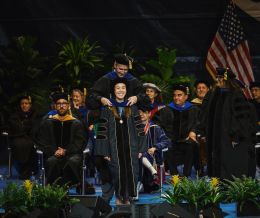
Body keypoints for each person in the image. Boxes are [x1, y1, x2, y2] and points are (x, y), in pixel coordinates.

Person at [94, 77, 146, 205]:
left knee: (132, 173)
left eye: (123, 88)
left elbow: (140, 129)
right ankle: (119, 198)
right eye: (118, 88)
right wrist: (105, 152)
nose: (121, 90)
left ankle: (128, 199)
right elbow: (102, 132)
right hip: (114, 149)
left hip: (131, 148)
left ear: (126, 90)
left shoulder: (132, 108)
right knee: (117, 174)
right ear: (113, 90)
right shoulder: (107, 109)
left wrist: (141, 149)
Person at [199, 68, 257, 179]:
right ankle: (218, 184)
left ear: (227, 80)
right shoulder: (213, 94)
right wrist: (204, 131)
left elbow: (242, 118)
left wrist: (236, 136)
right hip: (216, 137)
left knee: (230, 165)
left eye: (220, 78)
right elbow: (205, 114)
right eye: (217, 77)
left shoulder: (237, 95)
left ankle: (230, 188)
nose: (217, 80)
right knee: (217, 162)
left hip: (230, 138)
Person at [36, 92, 86, 186]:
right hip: (53, 153)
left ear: (68, 106)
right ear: (55, 106)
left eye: (64, 104)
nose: (61, 106)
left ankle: (68, 186)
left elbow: (79, 142)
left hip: (72, 154)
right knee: (51, 161)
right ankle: (54, 188)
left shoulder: (76, 123)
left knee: (73, 161)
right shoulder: (48, 122)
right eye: (59, 104)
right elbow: (42, 141)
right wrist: (54, 151)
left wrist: (66, 151)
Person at [166, 84, 199, 177]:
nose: (176, 97)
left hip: (187, 139)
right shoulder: (168, 109)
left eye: (179, 95)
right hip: (172, 139)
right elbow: (163, 125)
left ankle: (186, 176)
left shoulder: (193, 109)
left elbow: (197, 123)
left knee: (191, 146)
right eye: (174, 95)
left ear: (186, 96)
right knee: (168, 147)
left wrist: (193, 131)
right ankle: (174, 175)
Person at [138, 103, 171, 193]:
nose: (141, 114)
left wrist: (155, 147)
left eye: (144, 112)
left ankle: (139, 183)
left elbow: (167, 141)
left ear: (149, 114)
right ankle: (146, 178)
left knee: (142, 154)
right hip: (136, 155)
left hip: (152, 156)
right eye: (139, 112)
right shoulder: (134, 128)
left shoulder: (155, 128)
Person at [8, 95, 39, 179]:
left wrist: (25, 125)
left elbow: (35, 127)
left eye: (26, 103)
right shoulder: (14, 115)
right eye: (22, 103)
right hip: (18, 136)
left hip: (31, 137)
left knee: (32, 144)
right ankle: (24, 171)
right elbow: (17, 128)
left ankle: (32, 170)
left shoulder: (35, 114)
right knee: (21, 145)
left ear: (30, 105)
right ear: (20, 105)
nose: (24, 105)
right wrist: (27, 125)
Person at [191, 80, 210, 176]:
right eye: (199, 88)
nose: (201, 90)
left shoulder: (213, 103)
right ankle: (200, 169)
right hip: (196, 131)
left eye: (203, 88)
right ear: (195, 90)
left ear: (208, 89)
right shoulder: (192, 104)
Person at [249, 81, 260, 178]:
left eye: (256, 90)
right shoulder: (250, 104)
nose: (253, 92)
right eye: (252, 90)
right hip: (255, 134)